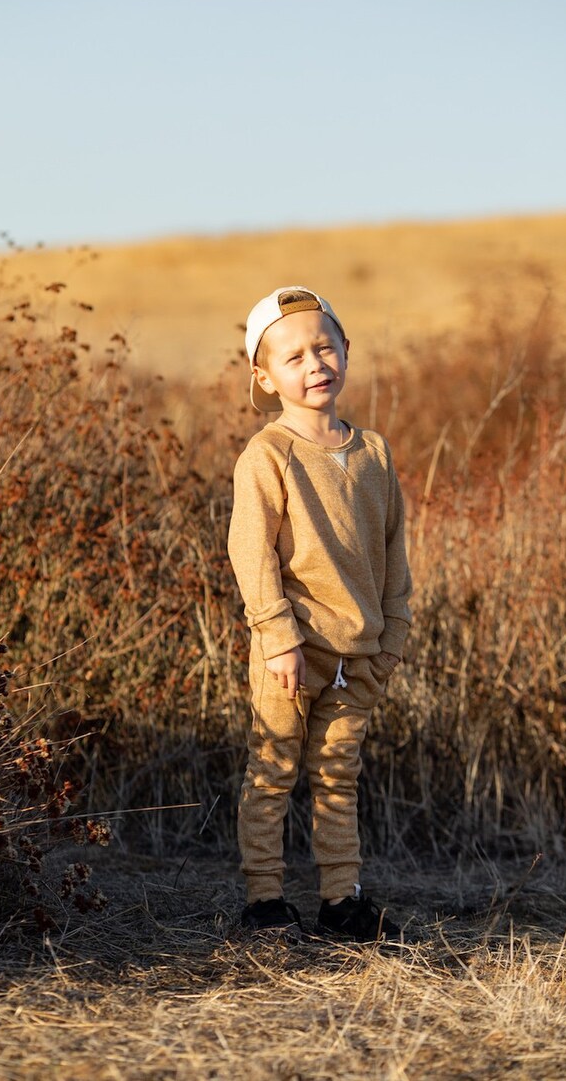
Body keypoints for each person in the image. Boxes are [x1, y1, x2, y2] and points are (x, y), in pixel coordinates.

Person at [227, 286, 413, 944]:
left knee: (338, 775)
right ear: (264, 377)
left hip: (359, 653)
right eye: (294, 356)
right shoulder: (268, 455)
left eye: (324, 348)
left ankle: (341, 900)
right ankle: (265, 899)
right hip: (291, 652)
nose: (314, 364)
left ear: (346, 351)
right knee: (273, 768)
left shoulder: (374, 453)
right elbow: (251, 553)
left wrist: (392, 637)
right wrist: (278, 638)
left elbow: (394, 552)